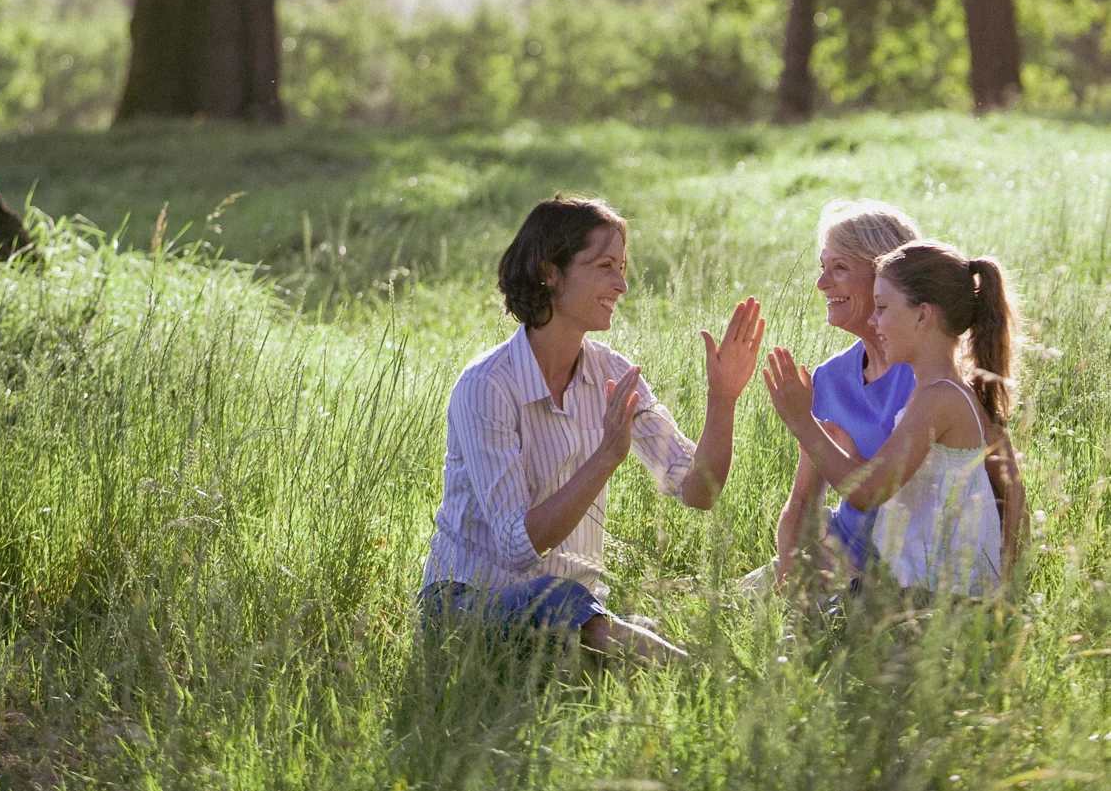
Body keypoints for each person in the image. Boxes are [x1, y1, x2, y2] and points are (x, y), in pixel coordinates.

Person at [419, 196, 765, 662]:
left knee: (598, 620)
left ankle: (630, 647)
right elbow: (518, 547)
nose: (622, 285)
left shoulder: (612, 373)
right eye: (605, 266)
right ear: (550, 272)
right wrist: (605, 458)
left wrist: (723, 398)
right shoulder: (487, 386)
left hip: (572, 610)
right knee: (564, 604)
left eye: (622, 268)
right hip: (466, 606)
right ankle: (695, 672)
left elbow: (700, 491)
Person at [762, 200, 1025, 587]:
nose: (821, 283)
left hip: (905, 583)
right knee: (732, 603)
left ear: (885, 271)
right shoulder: (829, 377)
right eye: (822, 267)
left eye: (840, 267)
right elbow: (802, 501)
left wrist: (1009, 590)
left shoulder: (936, 384)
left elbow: (1008, 490)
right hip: (841, 562)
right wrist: (791, 574)